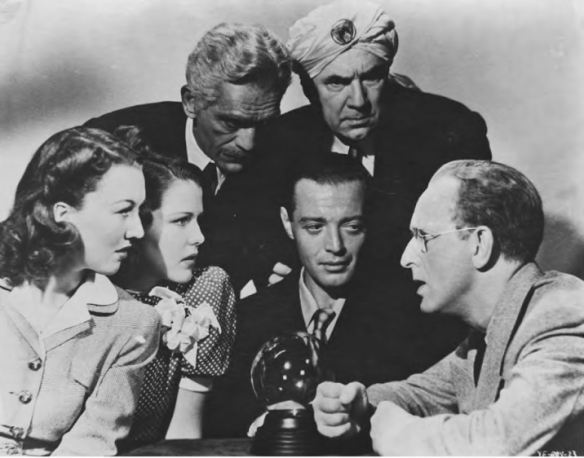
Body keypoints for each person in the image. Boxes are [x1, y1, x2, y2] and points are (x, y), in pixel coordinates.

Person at [313, 160, 584, 455]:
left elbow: (498, 443)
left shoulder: (564, 316)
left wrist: (397, 433)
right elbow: (421, 394)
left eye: (422, 237)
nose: (406, 257)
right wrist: (359, 405)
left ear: (480, 243)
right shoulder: (485, 337)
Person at [204, 154, 466, 439]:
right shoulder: (246, 317)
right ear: (287, 223)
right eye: (315, 227)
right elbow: (219, 425)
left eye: (351, 226)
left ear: (369, 223)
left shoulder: (415, 318)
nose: (335, 246)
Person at [255, 0, 492, 288]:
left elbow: (471, 246)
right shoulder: (280, 139)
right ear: (309, 91)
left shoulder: (450, 133)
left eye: (371, 78)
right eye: (337, 83)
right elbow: (254, 231)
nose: (358, 101)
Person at [84, 23, 292, 294]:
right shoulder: (108, 141)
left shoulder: (286, 158)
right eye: (231, 123)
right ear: (191, 102)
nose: (249, 143)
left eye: (264, 124)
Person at [0, 127, 160, 456]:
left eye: (139, 211)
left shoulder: (134, 323)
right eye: (123, 210)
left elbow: (91, 445)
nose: (137, 230)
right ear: (63, 214)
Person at [111, 131, 236, 452]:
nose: (199, 237)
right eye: (181, 221)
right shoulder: (90, 293)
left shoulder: (205, 289)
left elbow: (184, 434)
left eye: (198, 220)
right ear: (136, 224)